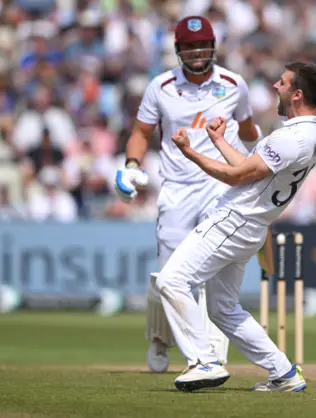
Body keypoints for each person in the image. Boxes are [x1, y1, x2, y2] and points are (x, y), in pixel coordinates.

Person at [158, 61, 316, 392]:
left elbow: (234, 176)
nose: (275, 87)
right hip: (251, 225)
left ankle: (204, 361)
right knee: (222, 309)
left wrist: (189, 151)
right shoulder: (312, 133)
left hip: (234, 220)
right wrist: (220, 141)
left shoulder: (292, 138)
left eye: (281, 83)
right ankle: (284, 373)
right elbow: (249, 168)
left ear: (296, 94)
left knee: (171, 280)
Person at [113, 16, 262, 373]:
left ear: (213, 46)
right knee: (169, 275)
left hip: (220, 187)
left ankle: (208, 351)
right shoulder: (160, 86)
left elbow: (248, 130)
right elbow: (140, 131)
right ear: (178, 49)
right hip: (177, 190)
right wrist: (132, 163)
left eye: (203, 45)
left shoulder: (233, 84)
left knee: (216, 269)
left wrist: (260, 171)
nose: (197, 52)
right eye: (190, 46)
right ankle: (161, 338)